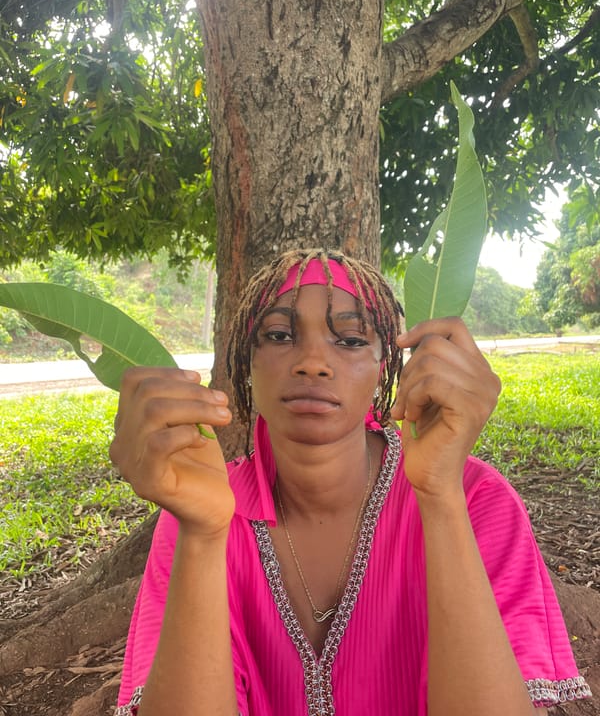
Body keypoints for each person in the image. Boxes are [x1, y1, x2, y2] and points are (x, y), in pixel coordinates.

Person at [111, 248, 591, 716]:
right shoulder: (200, 512)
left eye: (351, 340)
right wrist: (202, 535)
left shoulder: (477, 500)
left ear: (385, 366)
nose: (313, 362)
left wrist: (440, 497)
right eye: (279, 336)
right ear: (247, 363)